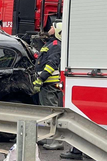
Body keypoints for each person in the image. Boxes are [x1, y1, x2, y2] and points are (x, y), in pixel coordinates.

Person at [33, 21, 63, 150]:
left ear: (58, 31)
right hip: (46, 83)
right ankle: (46, 136)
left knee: (51, 112)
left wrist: (41, 78)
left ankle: (56, 140)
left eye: (52, 27)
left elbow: (51, 64)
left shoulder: (56, 45)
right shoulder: (50, 44)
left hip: (49, 83)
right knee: (45, 112)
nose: (50, 28)